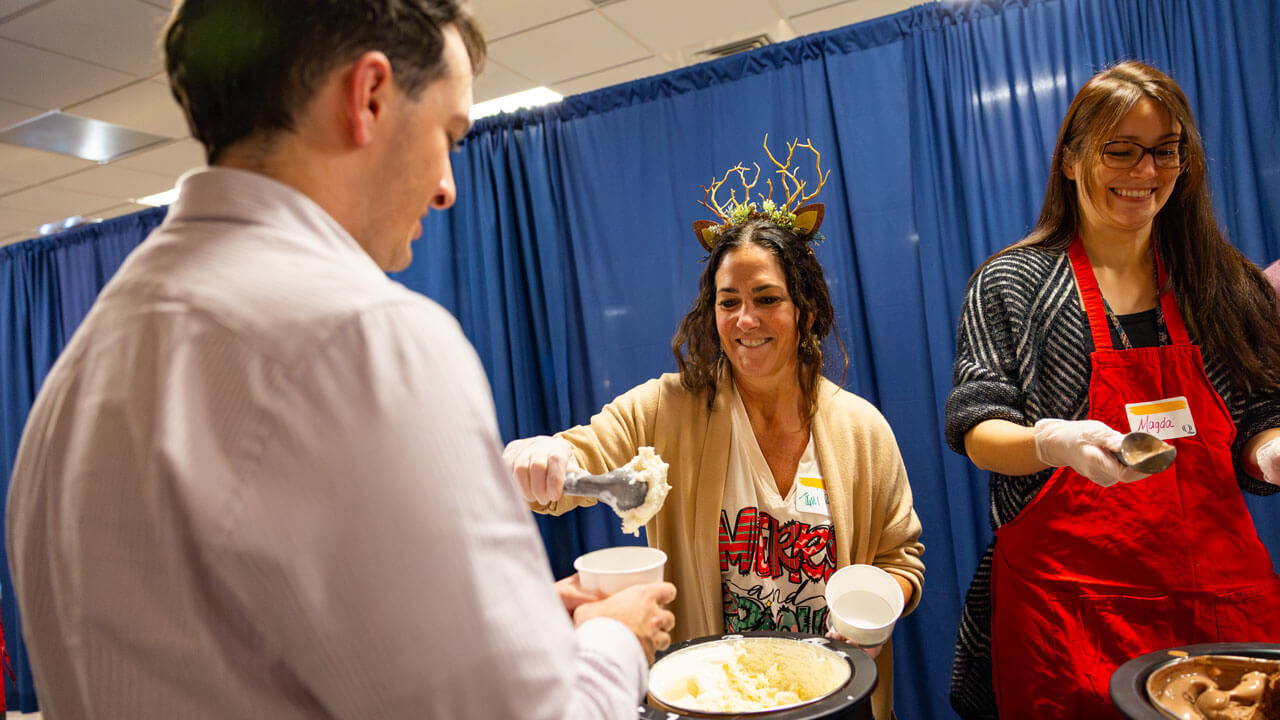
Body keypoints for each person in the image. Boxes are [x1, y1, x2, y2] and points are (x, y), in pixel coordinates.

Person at [5, 1, 676, 718]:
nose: (448, 186)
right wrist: (612, 642)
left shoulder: (77, 372)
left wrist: (518, 626)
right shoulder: (363, 339)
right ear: (371, 97)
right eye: (447, 135)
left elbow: (242, 650)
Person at [504, 139, 925, 720]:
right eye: (729, 302)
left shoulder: (861, 430)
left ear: (804, 308)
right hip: (709, 699)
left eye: (767, 298)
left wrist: (880, 608)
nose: (746, 321)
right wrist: (539, 453)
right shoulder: (666, 410)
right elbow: (574, 464)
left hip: (831, 698)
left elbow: (901, 559)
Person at [946, 60, 1280, 719]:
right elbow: (978, 427)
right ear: (1072, 160)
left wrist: (1270, 449)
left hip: (1221, 610)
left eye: (1164, 152)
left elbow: (1259, 412)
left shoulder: (1227, 285)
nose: (1145, 173)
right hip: (1068, 619)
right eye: (1120, 151)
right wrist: (1053, 442)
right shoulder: (1012, 284)